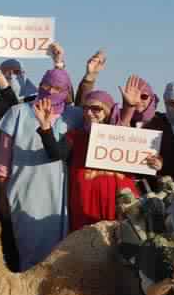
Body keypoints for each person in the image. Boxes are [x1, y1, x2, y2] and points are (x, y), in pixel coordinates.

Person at [0, 65, 81, 271]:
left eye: (57, 88)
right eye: (46, 85)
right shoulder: (17, 113)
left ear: (66, 91)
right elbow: (2, 163)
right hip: (24, 191)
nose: (50, 91)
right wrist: (2, 195)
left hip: (60, 195)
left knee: (57, 257)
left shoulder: (75, 116)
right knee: (28, 253)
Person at [34, 90, 145, 232]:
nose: (89, 113)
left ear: (107, 111)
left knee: (125, 240)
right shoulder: (76, 136)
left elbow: (142, 164)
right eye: (85, 108)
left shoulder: (123, 135)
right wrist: (45, 127)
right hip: (86, 205)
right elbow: (55, 153)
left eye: (96, 109)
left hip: (121, 203)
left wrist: (155, 163)